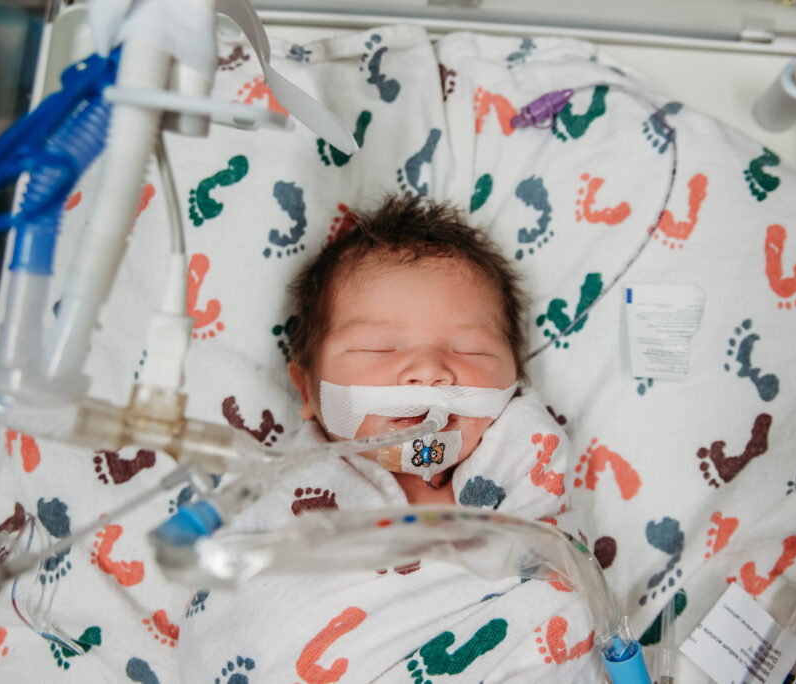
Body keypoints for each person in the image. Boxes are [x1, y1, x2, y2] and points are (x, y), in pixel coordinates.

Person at [179, 194, 602, 683]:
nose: (428, 372)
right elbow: (244, 618)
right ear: (308, 390)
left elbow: (561, 586)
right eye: (379, 347)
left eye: (470, 349)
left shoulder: (526, 467)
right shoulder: (283, 489)